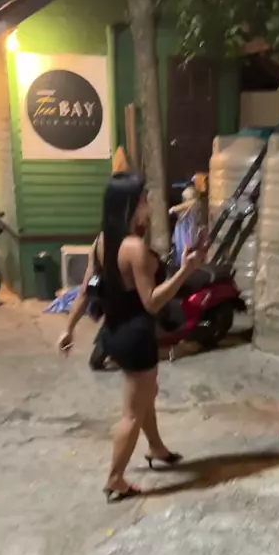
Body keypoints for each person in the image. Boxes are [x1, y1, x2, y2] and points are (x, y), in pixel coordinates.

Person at [58, 172, 206, 502]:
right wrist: (186, 270)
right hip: (136, 337)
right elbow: (151, 301)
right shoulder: (134, 248)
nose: (148, 205)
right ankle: (115, 479)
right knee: (132, 413)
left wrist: (68, 329)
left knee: (146, 393)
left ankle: (156, 447)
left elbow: (85, 291)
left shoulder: (102, 241)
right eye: (143, 200)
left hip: (113, 332)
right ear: (129, 205)